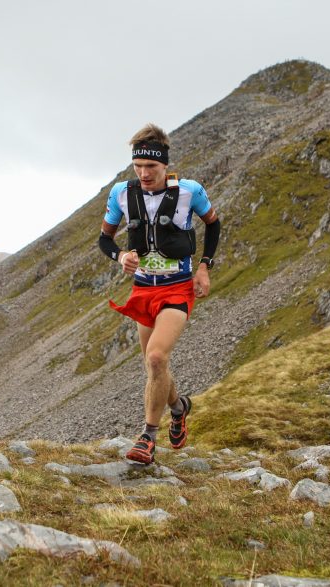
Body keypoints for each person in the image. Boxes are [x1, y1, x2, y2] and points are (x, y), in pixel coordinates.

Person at [98, 123, 221, 464]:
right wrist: (120, 255)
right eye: (138, 167)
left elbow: (213, 224)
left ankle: (147, 438)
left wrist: (204, 266)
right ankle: (179, 408)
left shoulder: (189, 192)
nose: (144, 173)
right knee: (155, 367)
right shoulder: (121, 194)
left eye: (151, 167)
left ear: (165, 164)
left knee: (156, 358)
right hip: (143, 290)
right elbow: (104, 239)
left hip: (177, 288)